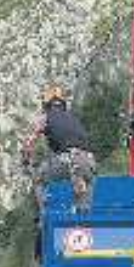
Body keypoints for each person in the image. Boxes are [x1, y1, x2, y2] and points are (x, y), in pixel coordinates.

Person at [21, 83, 96, 214]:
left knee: (38, 179)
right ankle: (81, 212)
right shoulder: (73, 118)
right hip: (90, 161)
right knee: (84, 208)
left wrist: (26, 160)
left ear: (46, 104)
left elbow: (28, 144)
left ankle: (43, 217)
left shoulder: (46, 117)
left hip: (70, 159)